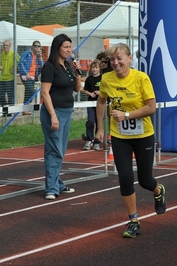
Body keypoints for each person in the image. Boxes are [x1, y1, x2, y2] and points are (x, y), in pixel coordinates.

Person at [95, 43, 166, 238]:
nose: (116, 63)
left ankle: (158, 190)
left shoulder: (141, 78)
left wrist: (127, 115)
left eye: (119, 59)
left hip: (143, 135)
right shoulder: (106, 79)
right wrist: (100, 127)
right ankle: (133, 220)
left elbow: (151, 107)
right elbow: (101, 101)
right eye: (112, 59)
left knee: (144, 180)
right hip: (120, 136)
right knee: (125, 177)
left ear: (129, 59)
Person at [40, 34, 82, 200]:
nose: (69, 50)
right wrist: (53, 116)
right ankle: (51, 188)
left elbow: (77, 89)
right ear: (57, 48)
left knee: (60, 150)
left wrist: (78, 72)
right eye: (65, 47)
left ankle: (57, 182)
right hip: (54, 112)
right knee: (54, 150)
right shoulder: (50, 67)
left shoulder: (67, 66)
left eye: (70, 47)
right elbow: (45, 92)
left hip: (66, 111)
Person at [0, 40, 19, 112]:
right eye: (4, 45)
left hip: (10, 79)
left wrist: (15, 70)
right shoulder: (2, 54)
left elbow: (20, 62)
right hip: (2, 78)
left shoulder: (13, 54)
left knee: (10, 96)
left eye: (7, 45)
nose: (5, 47)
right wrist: (0, 67)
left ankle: (9, 111)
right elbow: (1, 64)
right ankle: (5, 109)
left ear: (10, 46)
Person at [19, 40, 44, 115]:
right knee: (32, 91)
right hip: (26, 76)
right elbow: (20, 63)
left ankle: (25, 109)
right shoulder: (27, 53)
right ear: (33, 46)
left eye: (39, 46)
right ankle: (26, 108)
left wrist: (41, 56)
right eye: (36, 46)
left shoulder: (37, 56)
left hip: (33, 77)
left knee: (28, 93)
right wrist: (26, 73)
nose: (37, 48)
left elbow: (42, 65)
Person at [81, 59, 102, 150]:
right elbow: (84, 89)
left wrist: (100, 92)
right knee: (90, 121)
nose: (94, 69)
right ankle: (89, 139)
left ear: (99, 69)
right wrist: (90, 94)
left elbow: (108, 90)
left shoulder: (103, 78)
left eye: (96, 67)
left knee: (99, 122)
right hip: (90, 102)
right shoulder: (89, 79)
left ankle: (97, 142)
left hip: (100, 103)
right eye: (93, 67)